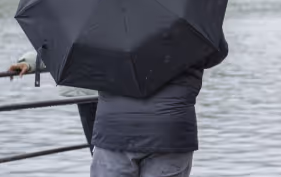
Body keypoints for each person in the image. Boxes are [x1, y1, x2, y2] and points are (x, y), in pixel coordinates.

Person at [89, 39, 228, 176]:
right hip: (170, 130)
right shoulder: (192, 25)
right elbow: (216, 52)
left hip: (115, 129)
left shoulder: (104, 28)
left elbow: (89, 62)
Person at [7, 52, 98, 154]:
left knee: (101, 152)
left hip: (95, 94)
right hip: (88, 95)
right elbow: (57, 48)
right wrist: (28, 62)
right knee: (99, 152)